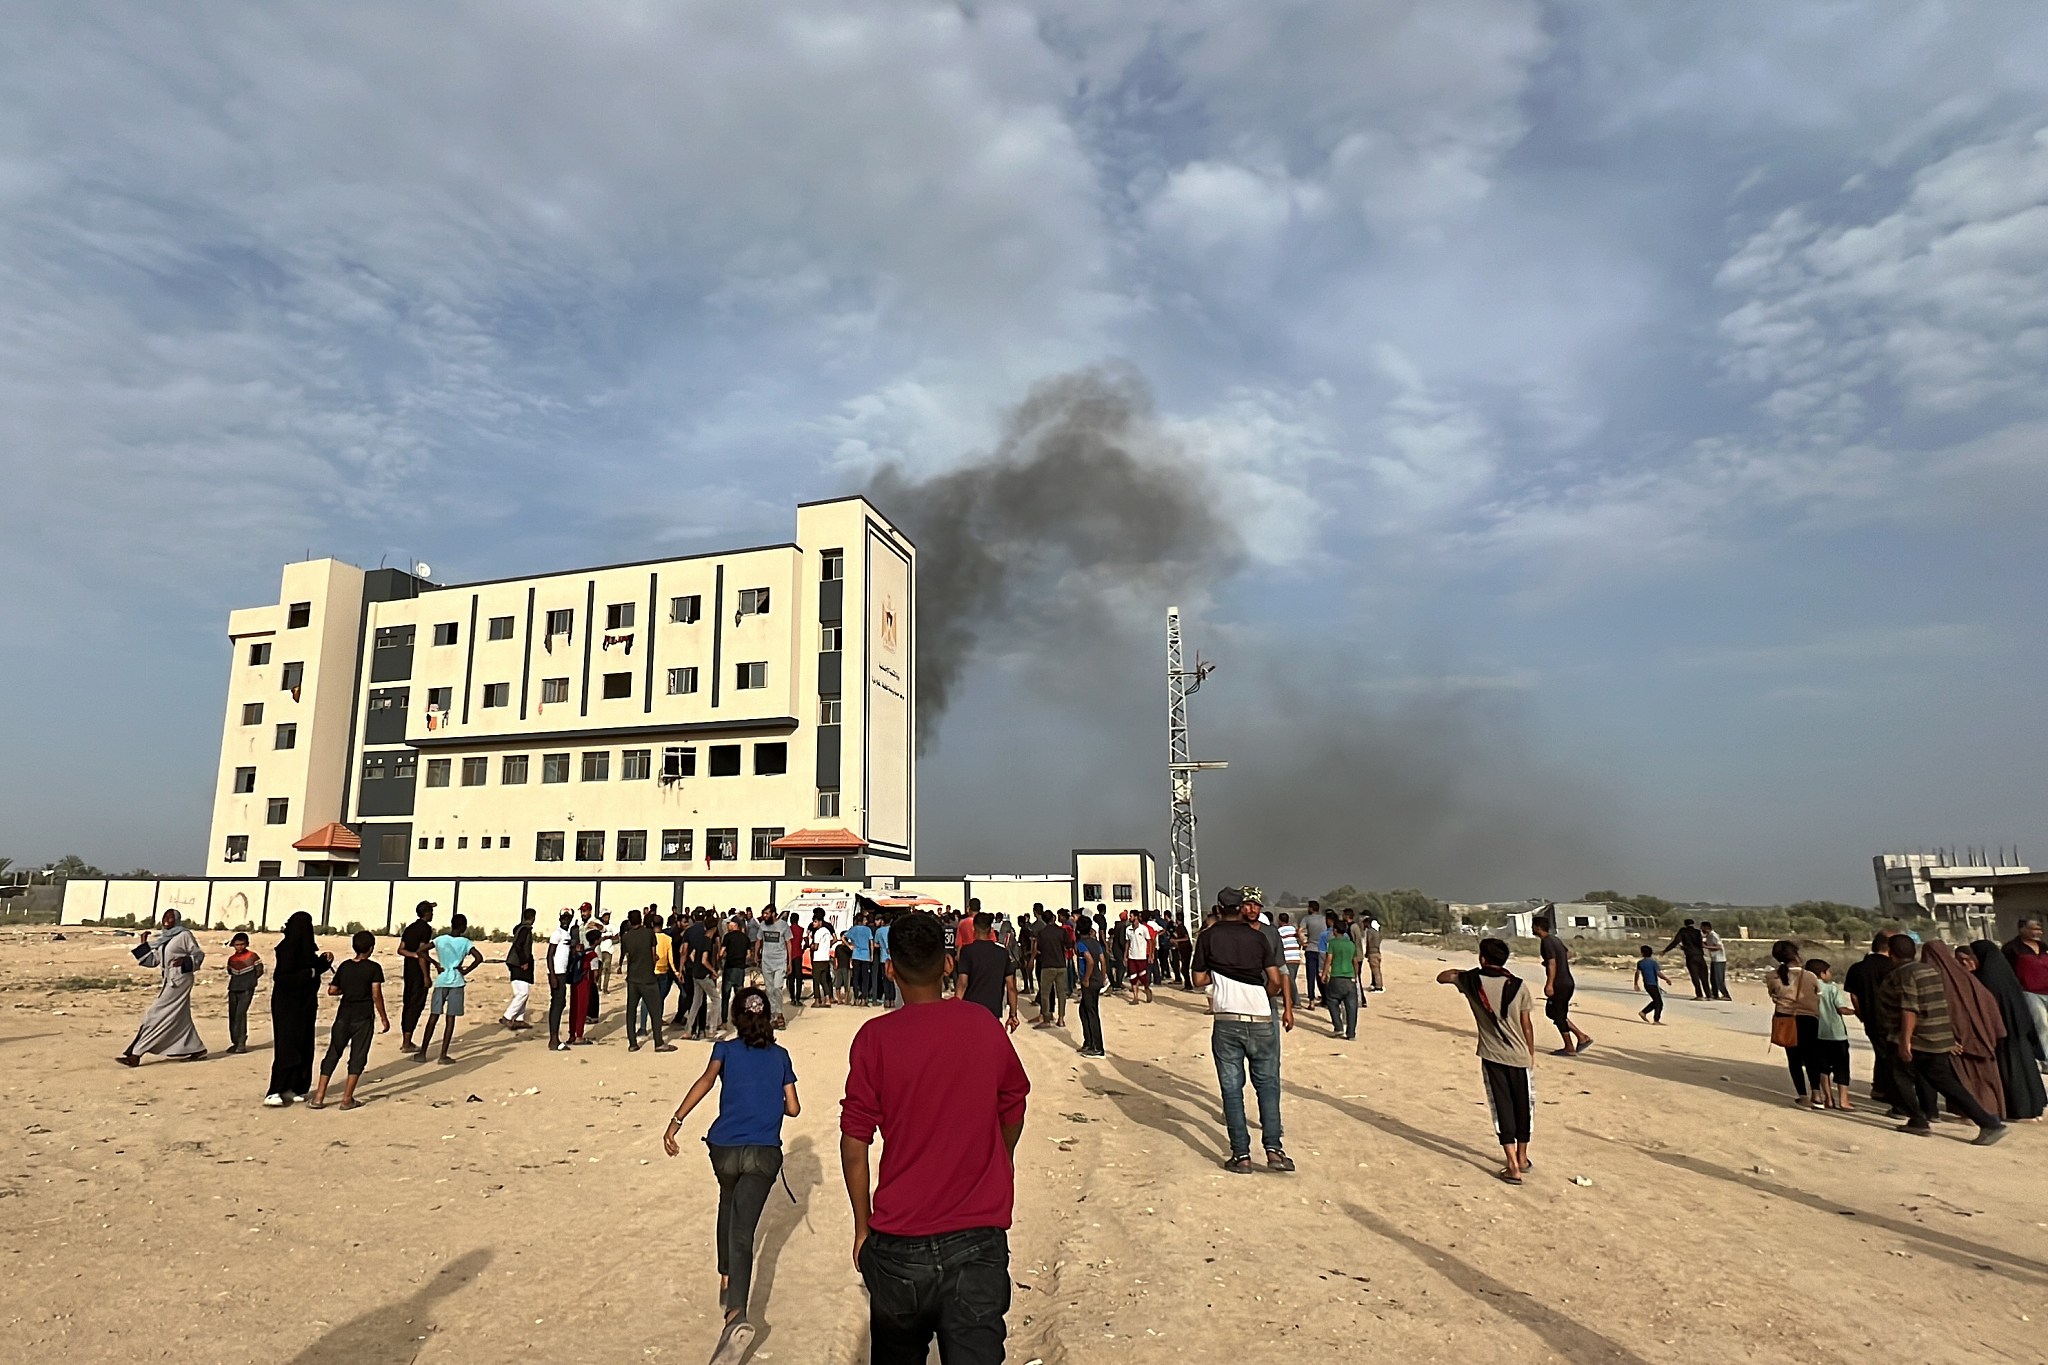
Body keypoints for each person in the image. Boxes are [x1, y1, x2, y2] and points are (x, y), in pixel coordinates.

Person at [840, 912, 1029, 1364]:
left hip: (899, 1237)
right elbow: (1013, 1102)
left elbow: (854, 1140)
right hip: (978, 1234)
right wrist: (1001, 1158)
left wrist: (862, 1226)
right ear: (947, 964)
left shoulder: (874, 1038)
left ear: (890, 969)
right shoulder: (982, 1024)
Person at [664, 985, 799, 1365]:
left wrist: (676, 1121)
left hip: (723, 1150)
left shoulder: (724, 1050)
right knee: (744, 1231)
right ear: (767, 1017)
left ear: (736, 1018)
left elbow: (706, 1082)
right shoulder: (781, 1056)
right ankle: (736, 1314)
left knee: (728, 1201)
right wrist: (769, 1098)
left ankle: (726, 1274)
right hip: (763, 1154)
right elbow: (793, 1108)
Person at [1195, 887, 1294, 1173]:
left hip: (1227, 1020)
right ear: (1241, 908)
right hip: (1261, 1018)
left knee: (1231, 1088)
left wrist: (1220, 976)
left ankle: (1241, 1155)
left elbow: (1198, 979)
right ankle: (1274, 1151)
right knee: (1268, 1085)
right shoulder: (1259, 937)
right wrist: (1262, 994)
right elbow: (1275, 979)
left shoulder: (1208, 937)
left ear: (1218, 908)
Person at [1877, 934, 2006, 1144]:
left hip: (1917, 1038)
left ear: (1891, 954)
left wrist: (1905, 1041)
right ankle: (1988, 1123)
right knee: (1945, 1082)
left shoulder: (1904, 974)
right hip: (1937, 1036)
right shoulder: (1930, 971)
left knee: (1898, 1077)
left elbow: (1909, 1009)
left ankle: (1918, 1120)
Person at [1436, 938, 1537, 1184]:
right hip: (1520, 1055)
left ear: (1482, 959)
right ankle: (1523, 1157)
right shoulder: (1519, 985)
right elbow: (1526, 1024)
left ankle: (1512, 1165)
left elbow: (1442, 977)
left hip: (1492, 1055)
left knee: (1501, 1106)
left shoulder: (1470, 981)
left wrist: (1464, 972)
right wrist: (1531, 1053)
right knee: (1523, 1106)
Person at [1967, 938, 2047, 1120]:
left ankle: (2019, 1109)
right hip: (2019, 1030)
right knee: (2026, 1069)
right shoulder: (2006, 974)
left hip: (2003, 1033)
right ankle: (2034, 1106)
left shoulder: (1984, 978)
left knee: (2011, 1072)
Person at [1926, 941, 2006, 1120]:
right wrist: (1992, 1032)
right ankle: (1991, 1112)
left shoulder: (1935, 979)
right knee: (1984, 1077)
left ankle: (1974, 1115)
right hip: (1981, 1036)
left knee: (1965, 1077)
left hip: (1959, 1039)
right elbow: (1988, 1003)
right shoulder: (1967, 977)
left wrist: (1947, 1038)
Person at [119, 908, 208, 1067]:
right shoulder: (163, 939)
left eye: (170, 917)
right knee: (180, 1015)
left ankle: (136, 1054)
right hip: (168, 980)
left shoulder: (184, 935)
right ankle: (196, 1048)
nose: (166, 919)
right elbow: (153, 961)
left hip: (180, 980)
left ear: (177, 920)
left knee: (155, 1015)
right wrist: (144, 944)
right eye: (164, 916)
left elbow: (198, 955)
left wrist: (185, 961)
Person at [310, 930, 389, 1110]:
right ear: (371, 948)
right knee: (358, 1056)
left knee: (333, 1053)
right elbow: (376, 994)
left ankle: (319, 1097)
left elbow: (332, 990)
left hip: (344, 1015)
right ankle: (346, 1099)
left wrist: (347, 990)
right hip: (363, 1017)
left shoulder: (345, 966)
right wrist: (384, 1018)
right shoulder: (374, 968)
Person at [265, 912, 333, 1105]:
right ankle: (275, 1090)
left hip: (305, 1004)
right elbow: (282, 977)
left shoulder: (307, 949)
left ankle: (295, 1087)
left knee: (304, 1044)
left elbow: (312, 970)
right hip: (287, 1005)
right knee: (287, 1046)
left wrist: (323, 962)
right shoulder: (286, 949)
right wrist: (308, 973)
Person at [1845, 931, 1901, 1108]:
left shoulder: (1858, 967)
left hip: (1871, 1018)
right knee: (1892, 1056)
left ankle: (1879, 1087)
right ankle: (1892, 1092)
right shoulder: (1894, 967)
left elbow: (1854, 995)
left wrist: (1861, 1014)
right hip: (1894, 1019)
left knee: (1881, 1052)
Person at [417, 914, 483, 1064]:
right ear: (463, 927)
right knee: (450, 1018)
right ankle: (443, 1055)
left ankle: (422, 1052)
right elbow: (479, 958)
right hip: (456, 981)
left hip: (441, 980)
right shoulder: (465, 942)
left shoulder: (440, 939)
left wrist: (435, 963)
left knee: (433, 1016)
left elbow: (421, 951)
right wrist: (465, 971)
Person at [1765, 939, 1822, 1107]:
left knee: (1794, 1058)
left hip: (1785, 1018)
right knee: (1812, 1057)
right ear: (1796, 955)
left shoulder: (1773, 976)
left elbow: (1773, 994)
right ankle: (1817, 1094)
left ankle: (1802, 1095)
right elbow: (1817, 994)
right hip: (1808, 1018)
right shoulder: (1810, 976)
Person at [1531, 917, 1594, 1057]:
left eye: (1533, 926)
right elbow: (1568, 954)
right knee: (1553, 1012)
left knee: (1557, 1014)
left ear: (1538, 927)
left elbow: (1552, 963)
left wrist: (1549, 983)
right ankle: (1581, 1036)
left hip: (1559, 983)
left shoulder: (1547, 942)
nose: (1532, 929)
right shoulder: (1555, 939)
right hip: (1567, 982)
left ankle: (1570, 1046)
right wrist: (1555, 961)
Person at [620, 909, 677, 1053]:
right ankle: (658, 1042)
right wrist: (653, 963)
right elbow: (653, 954)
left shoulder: (626, 937)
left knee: (631, 1011)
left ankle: (632, 1043)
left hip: (633, 977)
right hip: (648, 977)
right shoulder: (648, 933)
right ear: (641, 919)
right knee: (655, 1010)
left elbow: (628, 956)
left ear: (629, 921)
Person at [956, 911, 1021, 1031]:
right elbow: (1011, 987)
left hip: (971, 1008)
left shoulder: (967, 952)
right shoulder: (1002, 954)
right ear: (991, 930)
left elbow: (962, 983)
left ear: (974, 929)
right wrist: (1013, 1014)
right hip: (993, 1010)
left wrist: (956, 1007)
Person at [1810, 958, 1856, 1110]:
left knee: (1823, 1068)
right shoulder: (1832, 989)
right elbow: (1840, 1008)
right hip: (1836, 1034)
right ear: (1822, 973)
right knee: (1841, 1067)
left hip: (1817, 1033)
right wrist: (1856, 1011)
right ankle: (1843, 1100)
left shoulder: (1808, 989)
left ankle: (1828, 1098)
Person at [2004, 918, 2048, 1073]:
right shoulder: (2012, 949)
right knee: (2042, 1025)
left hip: (2047, 990)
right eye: (2034, 929)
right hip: (2030, 992)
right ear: (2022, 929)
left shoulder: (2043, 947)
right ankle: (2046, 1060)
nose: (2039, 932)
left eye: (2040, 929)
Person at [397, 900, 437, 1049]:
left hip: (408, 970)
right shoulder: (425, 929)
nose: (432, 915)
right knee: (416, 1005)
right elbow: (422, 953)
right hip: (419, 971)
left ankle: (406, 1039)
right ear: (426, 913)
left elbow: (401, 949)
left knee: (408, 1003)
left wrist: (412, 955)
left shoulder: (410, 928)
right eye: (431, 912)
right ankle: (407, 1042)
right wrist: (426, 976)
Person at [1319, 919, 1361, 1040]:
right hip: (1349, 978)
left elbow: (1329, 960)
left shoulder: (1332, 943)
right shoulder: (1351, 944)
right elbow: (1355, 962)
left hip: (1336, 976)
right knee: (1351, 1006)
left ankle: (1338, 1027)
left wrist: (1324, 974)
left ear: (1335, 930)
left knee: (1332, 1001)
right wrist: (1355, 976)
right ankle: (1351, 1033)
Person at [224, 930, 263, 1054]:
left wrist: (250, 982)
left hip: (247, 989)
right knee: (233, 1015)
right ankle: (235, 1042)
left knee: (240, 1015)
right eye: (237, 944)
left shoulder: (252, 956)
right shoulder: (232, 959)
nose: (240, 947)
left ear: (246, 944)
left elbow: (259, 970)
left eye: (242, 944)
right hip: (233, 988)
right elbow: (230, 971)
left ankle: (241, 1043)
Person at [501, 907, 537, 1030]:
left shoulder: (520, 929)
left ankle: (519, 1019)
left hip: (514, 963)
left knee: (520, 992)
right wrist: (523, 961)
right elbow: (518, 945)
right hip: (518, 963)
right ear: (533, 918)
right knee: (523, 992)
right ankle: (508, 1016)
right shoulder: (525, 930)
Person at [1075, 918, 1107, 1057]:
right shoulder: (1095, 942)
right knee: (1083, 1010)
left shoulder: (1081, 944)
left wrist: (1086, 978)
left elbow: (1090, 961)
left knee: (1091, 1013)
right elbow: (1102, 960)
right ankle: (1088, 1042)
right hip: (1097, 979)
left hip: (1089, 981)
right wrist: (1103, 977)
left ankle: (1097, 1048)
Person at [1033, 908, 1068, 1027]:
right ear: (1054, 918)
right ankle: (1061, 1019)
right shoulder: (1062, 932)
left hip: (1047, 965)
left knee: (1045, 994)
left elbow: (1039, 949)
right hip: (1061, 964)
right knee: (1061, 993)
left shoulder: (1041, 933)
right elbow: (1068, 946)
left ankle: (1047, 1018)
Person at [547, 910, 576, 1051]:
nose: (565, 920)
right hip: (557, 973)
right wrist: (552, 975)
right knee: (557, 1004)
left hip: (563, 973)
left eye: (568, 918)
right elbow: (550, 955)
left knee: (560, 1003)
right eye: (563, 918)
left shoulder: (567, 934)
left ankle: (555, 1038)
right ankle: (553, 1039)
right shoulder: (557, 933)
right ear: (560, 919)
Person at [1661, 919, 1711, 1000]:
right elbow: (1699, 944)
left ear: (1685, 924)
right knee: (1704, 976)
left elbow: (1675, 942)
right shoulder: (1697, 932)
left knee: (1695, 976)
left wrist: (1665, 950)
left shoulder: (1683, 931)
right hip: (1700, 955)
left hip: (1690, 956)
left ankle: (1699, 995)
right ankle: (1709, 995)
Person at [569, 924, 601, 1044]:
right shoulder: (593, 955)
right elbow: (595, 973)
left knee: (574, 1007)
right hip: (585, 981)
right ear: (596, 941)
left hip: (575, 980)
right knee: (582, 1008)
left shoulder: (582, 953)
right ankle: (579, 1035)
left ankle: (572, 1034)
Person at [1299, 901, 1326, 1005]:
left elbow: (1299, 931)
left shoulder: (1307, 918)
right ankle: (1325, 997)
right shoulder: (1323, 919)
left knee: (1310, 976)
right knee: (1321, 974)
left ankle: (1311, 1000)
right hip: (1322, 949)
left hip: (1311, 949)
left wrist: (1303, 942)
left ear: (1311, 908)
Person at [1633, 944, 1669, 1023]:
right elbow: (1658, 973)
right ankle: (1655, 1020)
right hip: (1653, 984)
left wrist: (1636, 984)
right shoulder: (1653, 963)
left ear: (1642, 953)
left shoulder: (1640, 963)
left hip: (1647, 985)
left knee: (1656, 1001)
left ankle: (1644, 1012)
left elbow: (1637, 973)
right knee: (1659, 1003)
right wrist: (1666, 979)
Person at [1125, 911, 1155, 1005]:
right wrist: (1125, 956)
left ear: (1136, 917)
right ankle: (1135, 997)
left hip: (1141, 956)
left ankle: (1147, 988)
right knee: (1133, 977)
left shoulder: (1143, 929)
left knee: (1142, 977)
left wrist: (1151, 954)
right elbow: (1128, 943)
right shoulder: (1128, 929)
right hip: (1132, 956)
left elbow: (1150, 941)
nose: (1130, 918)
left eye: (1131, 916)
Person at [1701, 920, 1731, 999]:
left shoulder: (1714, 935)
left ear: (1706, 928)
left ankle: (1726, 995)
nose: (1701, 929)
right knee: (1713, 978)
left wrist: (1706, 947)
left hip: (1719, 960)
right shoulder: (1708, 936)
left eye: (1702, 928)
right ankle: (1715, 994)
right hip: (1714, 959)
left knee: (1719, 979)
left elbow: (1718, 946)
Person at [1277, 914, 1303, 1004]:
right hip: (1296, 957)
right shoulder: (1293, 929)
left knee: (1290, 980)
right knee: (1291, 979)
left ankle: (1296, 1001)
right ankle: (1286, 996)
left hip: (1288, 957)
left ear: (1280, 921)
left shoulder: (1279, 931)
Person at [1363, 916, 1385, 993]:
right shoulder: (1377, 932)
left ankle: (1378, 986)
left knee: (1375, 971)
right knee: (1377, 969)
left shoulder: (1370, 932)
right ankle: (1375, 984)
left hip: (1372, 953)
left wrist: (1367, 952)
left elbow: (1368, 942)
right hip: (1377, 952)